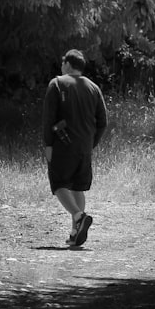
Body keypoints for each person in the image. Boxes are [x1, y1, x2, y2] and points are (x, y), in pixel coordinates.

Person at [42, 49, 108, 247]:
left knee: (59, 184)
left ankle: (78, 216)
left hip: (63, 144)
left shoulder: (57, 84)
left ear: (68, 65)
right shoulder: (94, 88)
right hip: (85, 147)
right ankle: (75, 233)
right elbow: (103, 122)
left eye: (63, 63)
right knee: (78, 186)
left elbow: (48, 120)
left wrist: (48, 145)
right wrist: (91, 143)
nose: (62, 67)